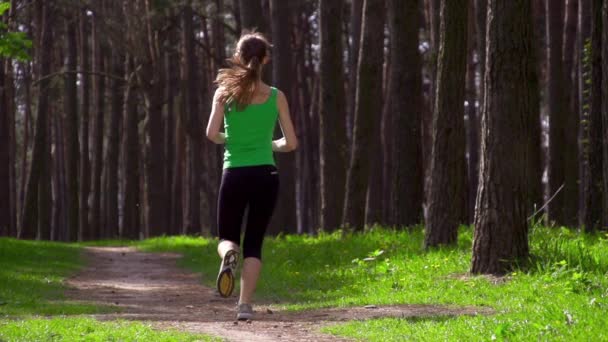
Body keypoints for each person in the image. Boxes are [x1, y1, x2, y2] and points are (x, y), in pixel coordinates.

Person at [205, 32, 298, 321]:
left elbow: (211, 134)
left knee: (227, 236)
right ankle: (244, 306)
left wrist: (229, 139)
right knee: (255, 242)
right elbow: (291, 143)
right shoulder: (275, 96)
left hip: (234, 173)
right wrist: (270, 145)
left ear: (238, 56)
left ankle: (228, 255)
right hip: (266, 175)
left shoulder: (224, 93)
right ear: (266, 58)